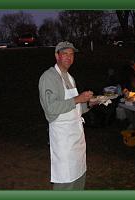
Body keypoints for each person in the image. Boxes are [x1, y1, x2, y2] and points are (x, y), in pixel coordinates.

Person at [38, 41, 94, 190]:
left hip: (77, 137)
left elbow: (75, 108)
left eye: (72, 54)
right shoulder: (49, 77)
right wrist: (78, 98)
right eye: (65, 54)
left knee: (79, 178)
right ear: (57, 56)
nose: (69, 57)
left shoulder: (69, 77)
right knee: (66, 182)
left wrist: (90, 103)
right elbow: (51, 108)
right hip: (63, 140)